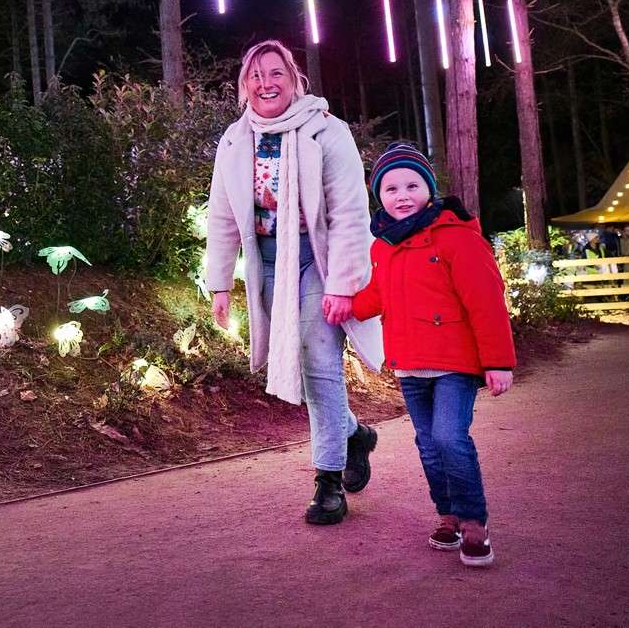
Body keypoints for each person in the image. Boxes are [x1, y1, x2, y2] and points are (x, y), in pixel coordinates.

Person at [205, 39, 383, 526]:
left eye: (276, 72)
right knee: (300, 368)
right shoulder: (235, 140)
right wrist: (220, 283)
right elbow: (222, 215)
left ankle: (328, 481)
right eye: (256, 75)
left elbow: (349, 212)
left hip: (315, 260)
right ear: (244, 85)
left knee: (318, 358)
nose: (266, 83)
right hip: (266, 262)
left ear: (294, 78)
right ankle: (353, 434)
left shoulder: (327, 131)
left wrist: (343, 283)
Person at [351, 142, 516, 568]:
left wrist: (498, 361)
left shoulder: (457, 236)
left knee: (448, 437)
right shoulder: (383, 245)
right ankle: (448, 516)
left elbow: (486, 300)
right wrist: (347, 305)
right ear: (379, 196)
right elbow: (379, 294)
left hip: (454, 362)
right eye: (390, 189)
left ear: (429, 188)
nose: (401, 195)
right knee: (427, 443)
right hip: (409, 362)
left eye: (411, 184)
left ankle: (473, 522)